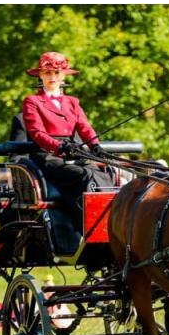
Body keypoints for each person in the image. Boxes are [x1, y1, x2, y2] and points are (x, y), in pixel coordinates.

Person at [22, 51, 111, 234]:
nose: (52, 77)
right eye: (48, 73)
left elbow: (84, 127)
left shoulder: (73, 102)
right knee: (84, 175)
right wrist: (60, 146)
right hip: (48, 155)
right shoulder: (32, 101)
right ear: (40, 75)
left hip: (72, 151)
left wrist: (95, 146)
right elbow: (37, 133)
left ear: (63, 76)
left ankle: (109, 224)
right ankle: (87, 228)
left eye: (56, 73)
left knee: (105, 173)